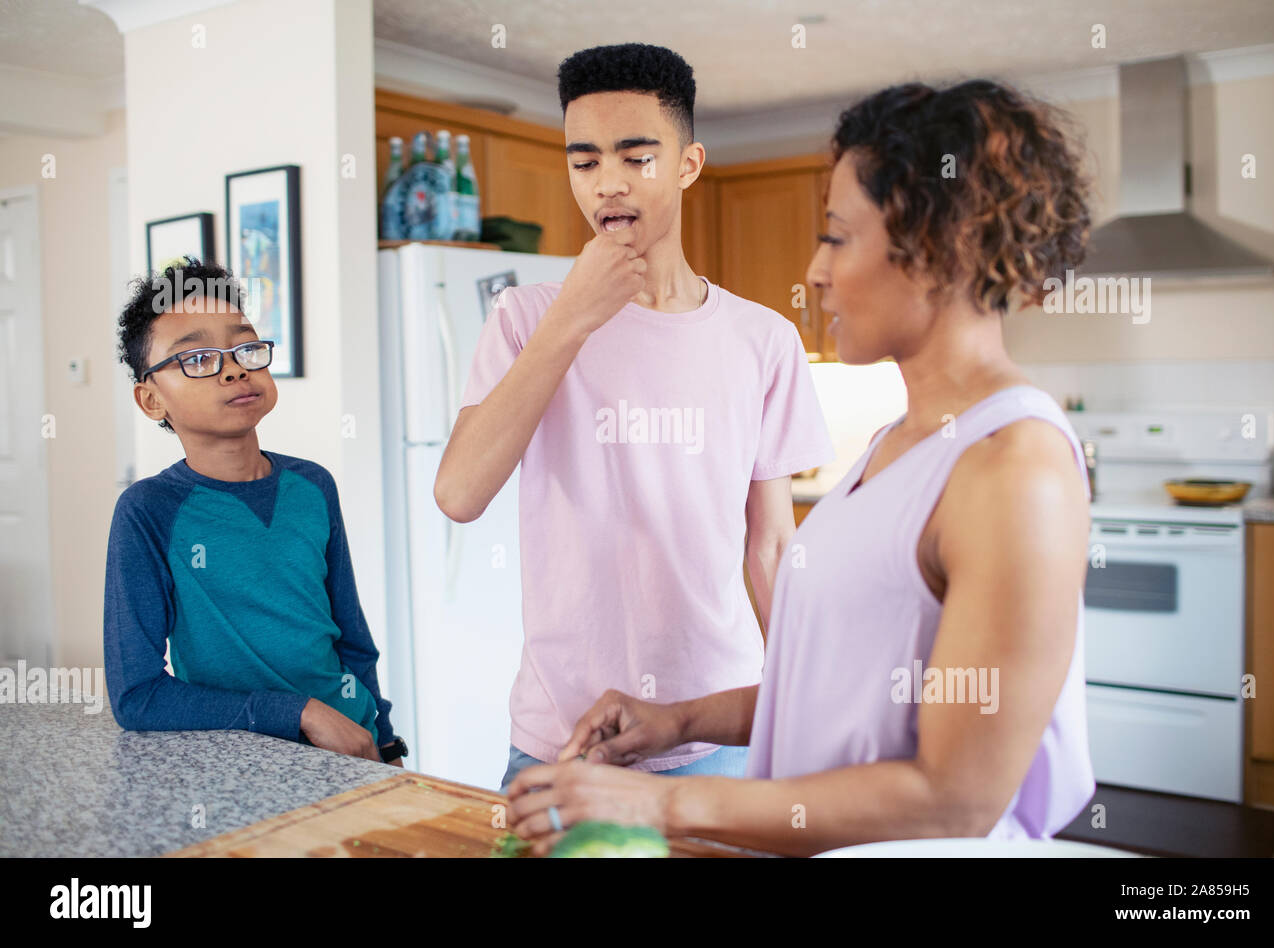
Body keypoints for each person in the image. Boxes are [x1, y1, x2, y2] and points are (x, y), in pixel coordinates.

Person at [506, 79, 1097, 855]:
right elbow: (836, 691)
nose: (816, 272)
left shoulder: (1015, 469)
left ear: (942, 246)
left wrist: (658, 805)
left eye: (838, 237)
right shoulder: (898, 445)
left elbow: (955, 798)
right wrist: (677, 721)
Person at [434, 43, 834, 791]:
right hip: (561, 736)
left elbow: (773, 545)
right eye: (583, 162)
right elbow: (459, 493)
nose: (607, 184)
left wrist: (803, 713)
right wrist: (572, 319)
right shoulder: (525, 319)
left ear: (687, 164)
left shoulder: (764, 340)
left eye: (635, 157)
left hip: (720, 732)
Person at [103, 258, 407, 766]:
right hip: (240, 764)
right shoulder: (148, 512)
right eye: (197, 358)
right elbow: (138, 696)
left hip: (354, 749)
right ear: (151, 399)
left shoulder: (313, 484)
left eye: (244, 347)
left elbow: (352, 638)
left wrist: (386, 741)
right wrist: (299, 713)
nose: (234, 368)